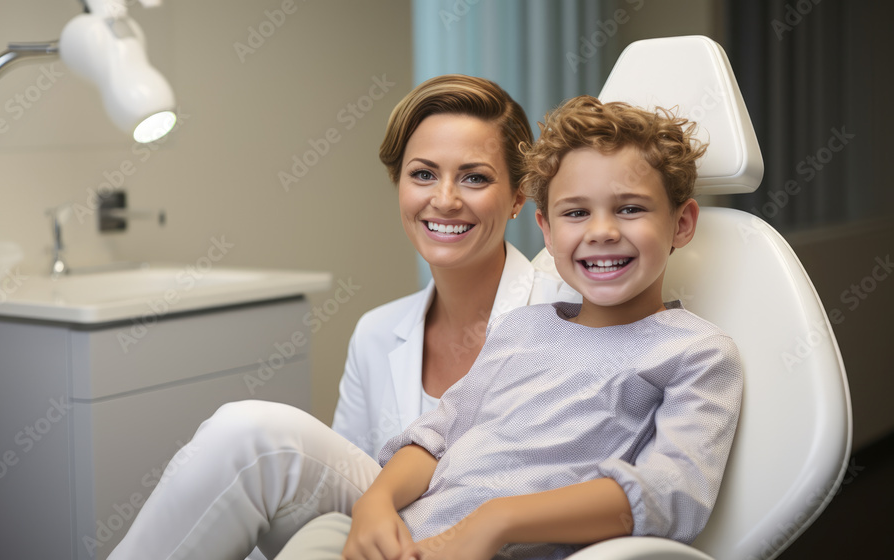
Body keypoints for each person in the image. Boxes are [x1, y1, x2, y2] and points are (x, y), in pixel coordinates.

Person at [107, 75, 574, 560]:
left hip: (495, 542)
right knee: (249, 450)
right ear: (399, 184)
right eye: (423, 174)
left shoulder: (570, 316)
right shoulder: (375, 333)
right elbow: (340, 490)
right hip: (392, 531)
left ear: (520, 196)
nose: (445, 198)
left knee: (252, 435)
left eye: (475, 177)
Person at [272, 95, 744, 560]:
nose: (601, 231)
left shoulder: (696, 353)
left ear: (682, 223)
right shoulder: (523, 329)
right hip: (400, 537)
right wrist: (375, 502)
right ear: (547, 229)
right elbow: (435, 435)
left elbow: (672, 495)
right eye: (576, 213)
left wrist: (497, 521)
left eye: (630, 208)